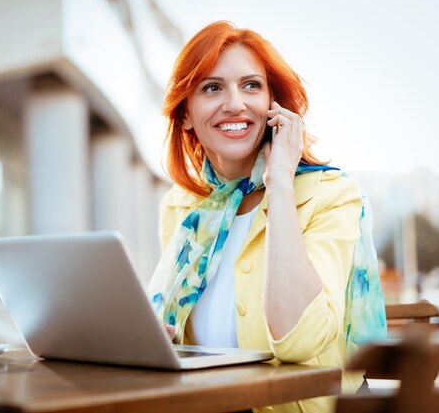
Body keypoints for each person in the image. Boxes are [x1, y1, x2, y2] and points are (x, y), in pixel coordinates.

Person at [147, 21, 386, 413]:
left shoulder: (334, 196)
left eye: (251, 85)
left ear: (275, 106)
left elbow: (299, 339)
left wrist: (280, 185)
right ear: (186, 115)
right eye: (212, 88)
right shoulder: (181, 207)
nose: (236, 103)